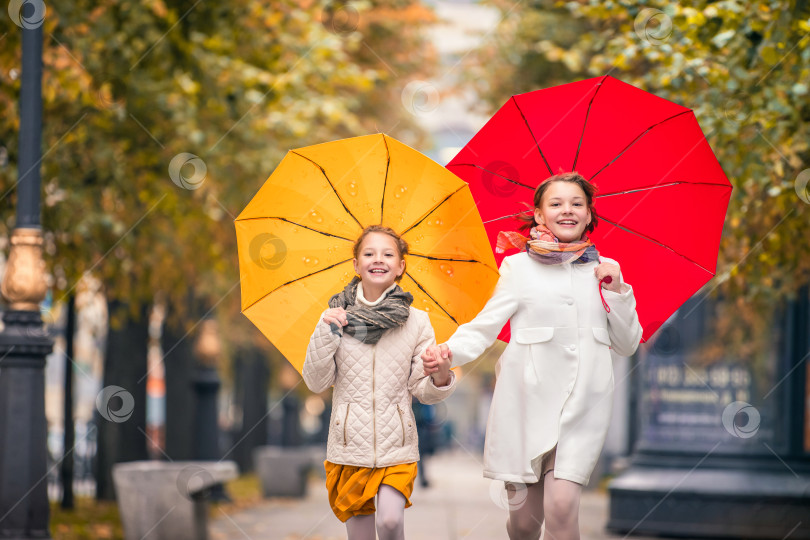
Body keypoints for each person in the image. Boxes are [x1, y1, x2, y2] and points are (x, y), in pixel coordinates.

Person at [423, 172, 642, 540]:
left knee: (561, 507)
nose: (567, 210)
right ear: (539, 215)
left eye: (577, 203)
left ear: (589, 214)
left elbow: (627, 343)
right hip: (525, 404)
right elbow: (485, 326)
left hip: (583, 405)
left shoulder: (606, 270)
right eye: (556, 204)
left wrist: (618, 290)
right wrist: (449, 353)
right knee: (524, 525)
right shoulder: (517, 268)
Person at [302, 225, 456, 540]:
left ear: (400, 266)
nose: (378, 260)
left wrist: (440, 374)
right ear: (356, 264)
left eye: (388, 254)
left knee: (389, 522)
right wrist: (325, 332)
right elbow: (316, 382)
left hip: (396, 446)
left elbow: (421, 389)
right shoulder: (334, 316)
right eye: (369, 253)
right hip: (349, 449)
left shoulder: (417, 321)